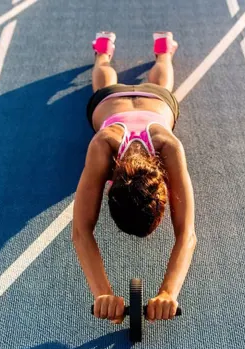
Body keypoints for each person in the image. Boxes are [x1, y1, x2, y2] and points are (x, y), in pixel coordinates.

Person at [72, 31, 197, 325]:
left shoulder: (106, 143)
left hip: (150, 102)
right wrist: (167, 293)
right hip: (133, 101)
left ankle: (104, 52)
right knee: (135, 84)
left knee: (112, 81)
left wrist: (104, 293)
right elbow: (186, 234)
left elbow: (81, 232)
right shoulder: (163, 145)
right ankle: (162, 51)